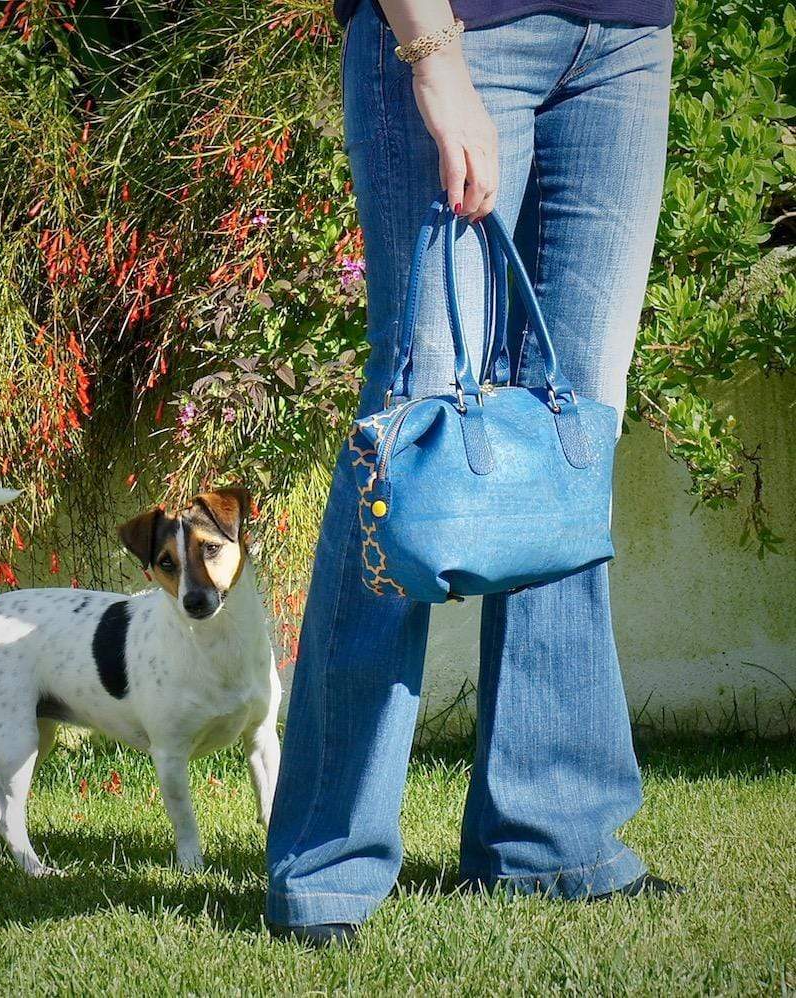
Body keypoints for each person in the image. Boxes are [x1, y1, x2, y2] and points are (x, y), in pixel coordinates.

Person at [265, 0, 683, 947]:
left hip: (627, 42)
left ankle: (550, 840)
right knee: (409, 435)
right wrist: (432, 54)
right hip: (466, 29)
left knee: (573, 438)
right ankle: (327, 867)